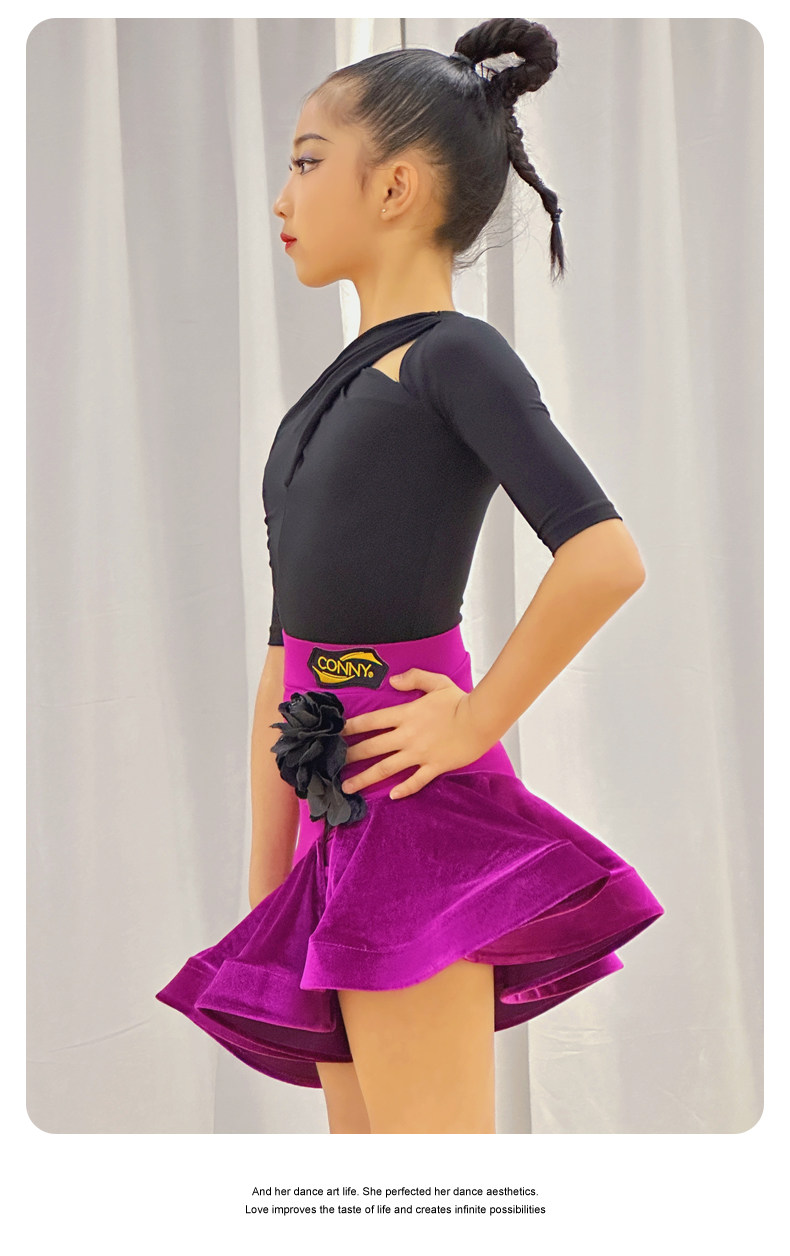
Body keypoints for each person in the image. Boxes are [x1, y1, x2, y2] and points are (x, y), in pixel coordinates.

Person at [156, 17, 664, 1135]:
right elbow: (287, 654)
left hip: (410, 803)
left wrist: (475, 719)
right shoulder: (332, 391)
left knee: (427, 1178)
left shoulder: (454, 356)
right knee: (369, 1174)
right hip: (328, 806)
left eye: (306, 161)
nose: (281, 197)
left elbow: (604, 555)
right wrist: (268, 885)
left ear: (393, 186)